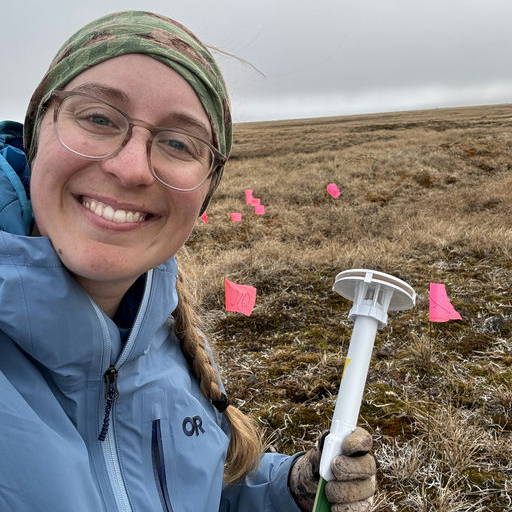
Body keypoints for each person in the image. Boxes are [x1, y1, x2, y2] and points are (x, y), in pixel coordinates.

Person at [0, 10, 376, 512]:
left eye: (179, 143)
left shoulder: (167, 338)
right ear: (36, 133)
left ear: (204, 194)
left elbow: (173, 489)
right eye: (97, 117)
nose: (130, 167)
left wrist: (284, 490)